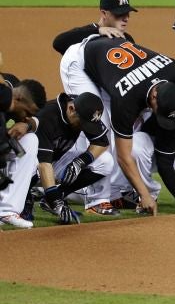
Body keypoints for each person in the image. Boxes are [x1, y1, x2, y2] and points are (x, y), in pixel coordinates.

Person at [60, 36, 175, 215]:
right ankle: (96, 200)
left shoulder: (173, 71)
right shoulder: (126, 101)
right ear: (155, 96)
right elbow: (123, 156)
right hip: (80, 62)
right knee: (100, 131)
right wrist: (145, 195)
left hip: (111, 64)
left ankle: (120, 190)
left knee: (134, 126)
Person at [34, 92, 116, 224]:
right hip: (33, 164)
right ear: (71, 109)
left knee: (106, 161)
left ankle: (56, 195)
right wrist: (58, 204)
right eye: (82, 123)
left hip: (55, 160)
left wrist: (80, 162)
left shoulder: (84, 108)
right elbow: (44, 163)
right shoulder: (47, 116)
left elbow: (102, 142)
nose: (84, 128)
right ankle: (27, 200)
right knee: (34, 170)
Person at [0, 74, 46, 228]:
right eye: (27, 112)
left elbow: (39, 119)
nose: (27, 117)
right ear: (18, 99)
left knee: (30, 140)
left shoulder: (13, 85)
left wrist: (28, 125)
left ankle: (7, 211)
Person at [53, 0, 138, 55]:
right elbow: (59, 43)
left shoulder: (126, 38)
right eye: (120, 14)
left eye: (127, 13)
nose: (126, 18)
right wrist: (98, 30)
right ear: (104, 13)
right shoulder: (87, 34)